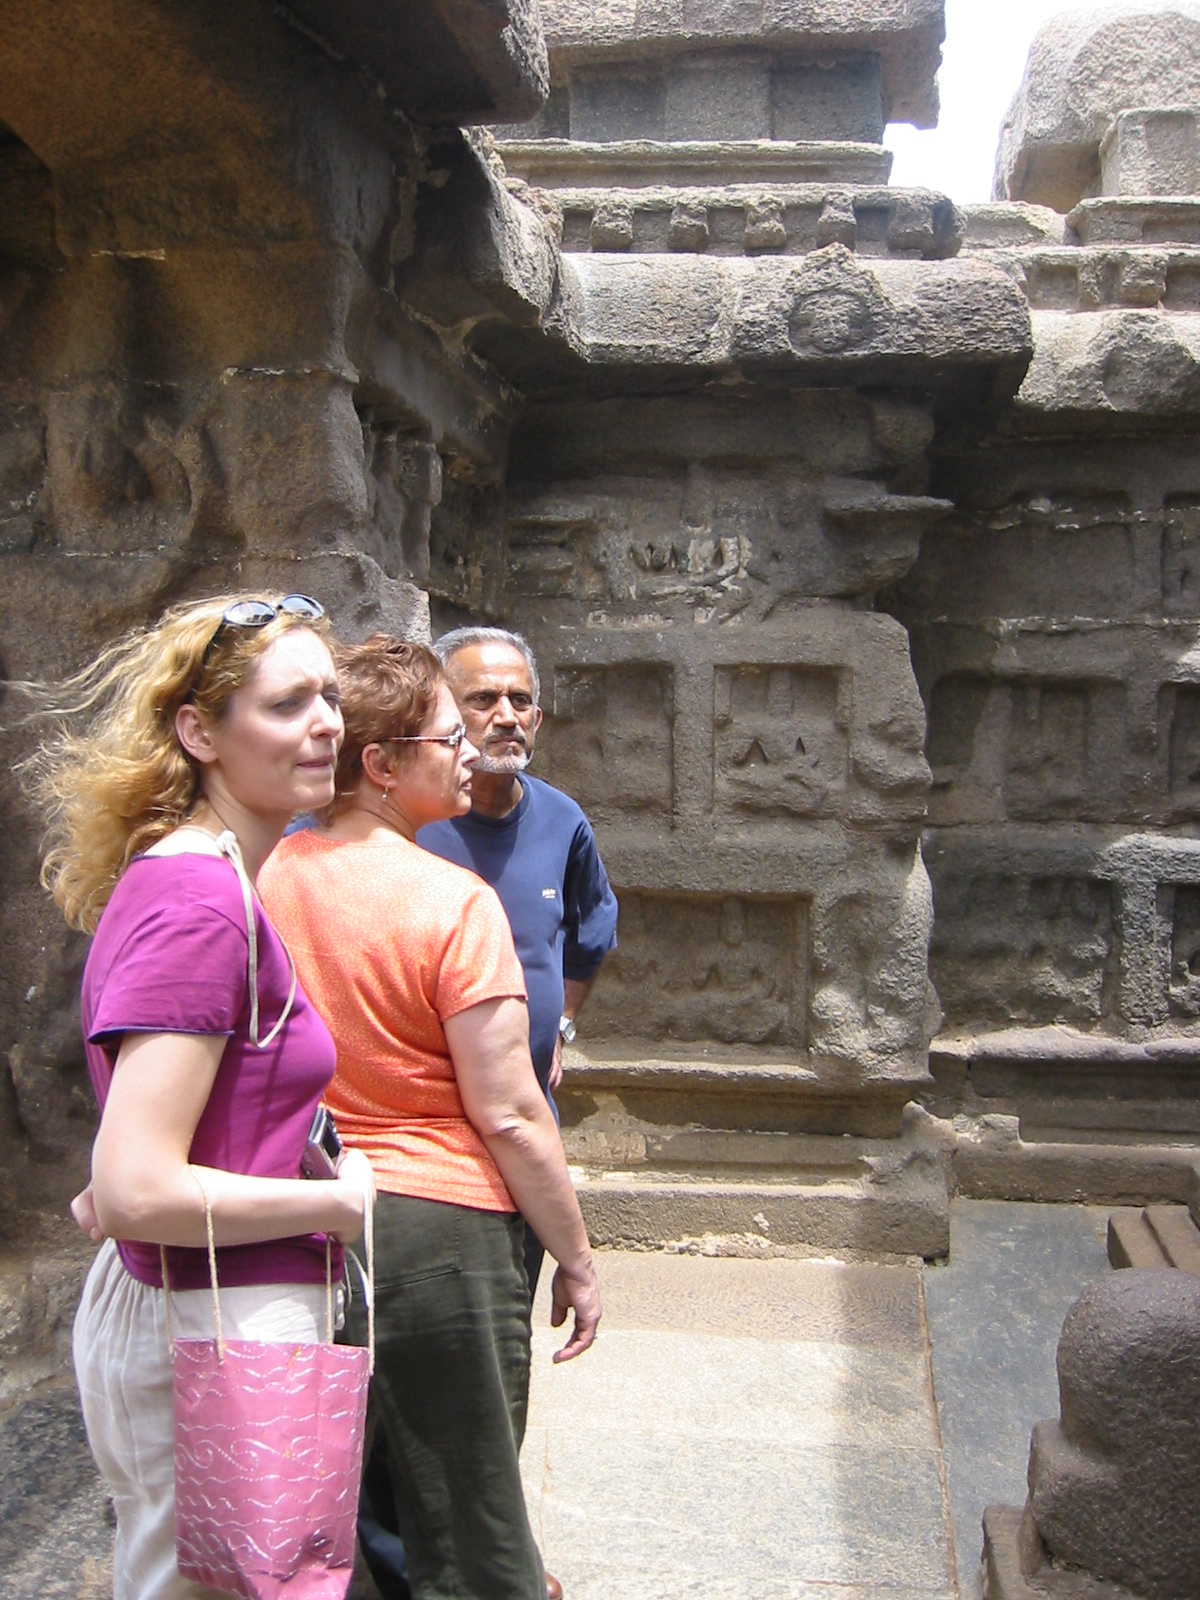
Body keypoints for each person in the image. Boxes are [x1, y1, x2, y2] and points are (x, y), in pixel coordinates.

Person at [24, 593, 376, 1600]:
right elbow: (136, 1187)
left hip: (205, 1303)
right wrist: (337, 1201)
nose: (325, 723)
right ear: (199, 732)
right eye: (287, 704)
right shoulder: (200, 901)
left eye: (329, 696)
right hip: (214, 1314)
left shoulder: (201, 878)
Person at [258, 635, 601, 1600]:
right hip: (440, 1227)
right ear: (380, 764)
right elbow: (512, 1113)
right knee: (471, 1518)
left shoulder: (271, 876)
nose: (469, 750)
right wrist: (575, 1254)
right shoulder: (453, 903)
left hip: (307, 1214)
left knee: (342, 1492)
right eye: (450, 736)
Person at [420, 625, 618, 1296]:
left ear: (537, 719)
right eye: (482, 700)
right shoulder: (405, 822)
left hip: (526, 1128)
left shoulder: (563, 821)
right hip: (428, 1139)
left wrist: (559, 1023)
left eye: (520, 700)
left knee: (511, 1312)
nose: (505, 716)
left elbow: (592, 929)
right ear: (441, 715)